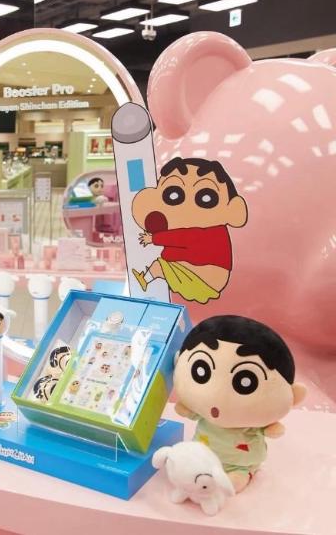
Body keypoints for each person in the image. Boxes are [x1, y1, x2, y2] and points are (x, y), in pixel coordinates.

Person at [173, 315, 307, 493]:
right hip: (202, 455)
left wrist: (270, 427)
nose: (216, 395)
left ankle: (243, 474)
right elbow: (185, 410)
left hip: (239, 464)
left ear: (293, 394)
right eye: (201, 370)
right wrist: (187, 410)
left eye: (246, 381)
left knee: (234, 480)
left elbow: (273, 430)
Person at [131, 157, 248, 303]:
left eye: (206, 198)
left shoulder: (208, 232)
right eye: (173, 194)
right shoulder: (211, 230)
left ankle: (144, 280)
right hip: (200, 273)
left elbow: (181, 238)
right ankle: (144, 280)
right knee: (160, 266)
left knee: (159, 266)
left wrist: (153, 239)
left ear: (233, 208)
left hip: (202, 276)